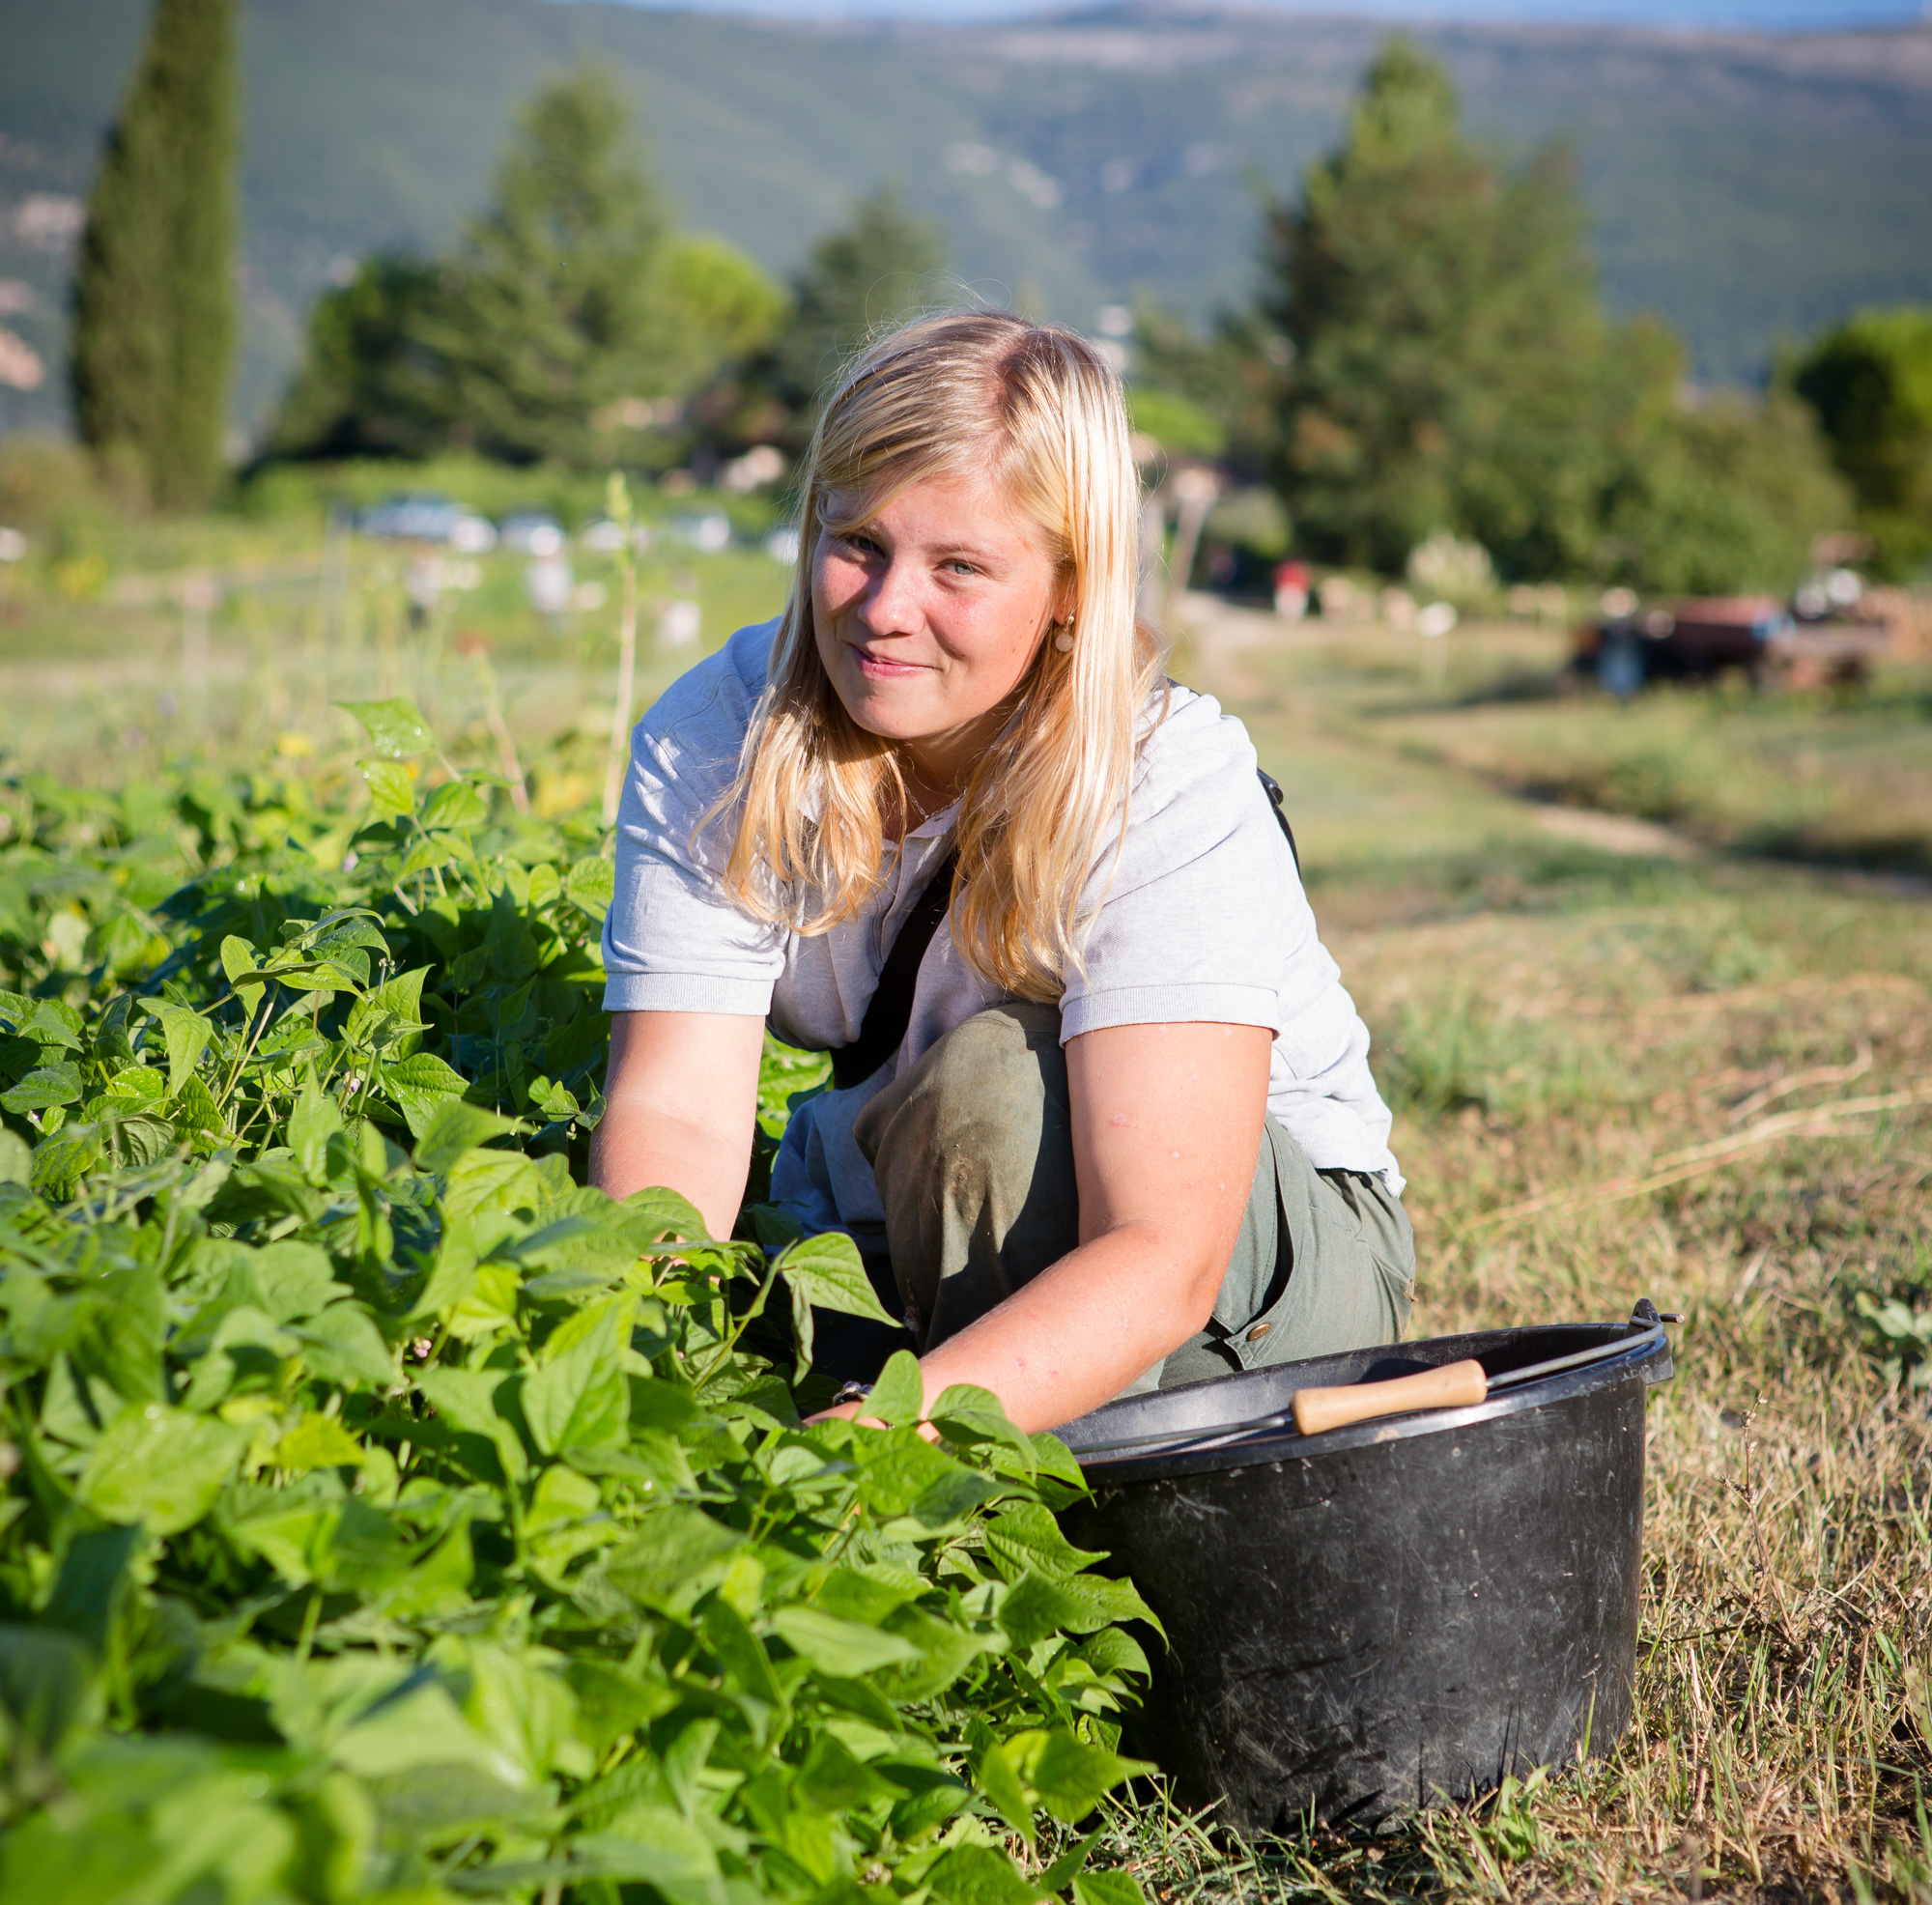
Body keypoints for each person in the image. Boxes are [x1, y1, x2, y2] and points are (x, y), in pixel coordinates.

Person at [592, 311, 1412, 1436]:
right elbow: (677, 1111)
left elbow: (1164, 1250)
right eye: (857, 542)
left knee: (990, 1094)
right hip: (923, 1198)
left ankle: (1018, 1504)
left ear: (1070, 584)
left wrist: (891, 1432)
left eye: (958, 568)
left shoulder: (1159, 779)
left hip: (1255, 1280)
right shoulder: (714, 738)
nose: (884, 610)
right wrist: (625, 1377)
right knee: (760, 1311)